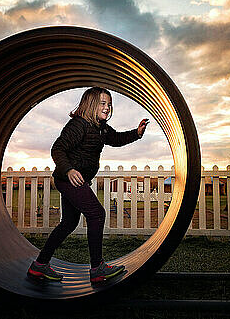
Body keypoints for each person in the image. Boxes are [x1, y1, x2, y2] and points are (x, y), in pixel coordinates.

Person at [28, 87, 149, 283]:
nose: (107, 107)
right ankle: (97, 268)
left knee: (69, 222)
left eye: (109, 104)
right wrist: (69, 169)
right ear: (91, 104)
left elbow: (116, 139)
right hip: (68, 178)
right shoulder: (78, 125)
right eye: (103, 103)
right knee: (97, 213)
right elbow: (57, 149)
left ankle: (39, 266)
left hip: (74, 180)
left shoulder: (101, 128)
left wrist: (136, 132)